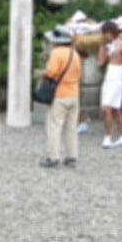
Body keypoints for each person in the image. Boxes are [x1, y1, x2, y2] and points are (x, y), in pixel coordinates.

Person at [38, 25, 82, 168]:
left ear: (57, 41)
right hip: (74, 94)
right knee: (70, 127)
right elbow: (79, 74)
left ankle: (53, 157)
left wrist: (43, 75)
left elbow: (51, 72)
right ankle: (71, 156)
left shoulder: (56, 53)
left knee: (54, 125)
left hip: (60, 94)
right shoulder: (75, 54)